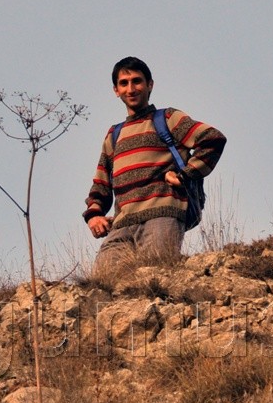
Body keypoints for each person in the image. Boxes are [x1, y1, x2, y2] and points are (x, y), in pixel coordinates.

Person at [84, 57, 226, 275]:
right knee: (104, 283)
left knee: (156, 279)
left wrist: (186, 175)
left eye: (137, 81)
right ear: (116, 90)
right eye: (124, 83)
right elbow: (101, 183)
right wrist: (94, 215)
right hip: (121, 225)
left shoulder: (167, 118)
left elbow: (212, 139)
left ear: (150, 85)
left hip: (161, 217)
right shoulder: (114, 134)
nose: (131, 89)